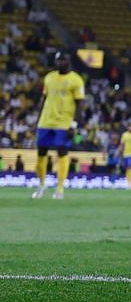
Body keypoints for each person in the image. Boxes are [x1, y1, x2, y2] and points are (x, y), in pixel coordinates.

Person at [31, 50, 86, 199]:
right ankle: (41, 185)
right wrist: (37, 120)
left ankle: (60, 188)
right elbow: (44, 100)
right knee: (41, 152)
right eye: (59, 60)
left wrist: (74, 125)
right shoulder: (49, 78)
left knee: (62, 152)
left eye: (64, 60)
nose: (61, 62)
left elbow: (80, 104)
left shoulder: (76, 80)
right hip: (46, 121)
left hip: (64, 122)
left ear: (69, 61)